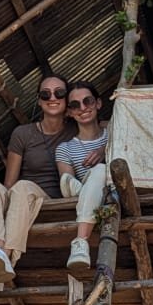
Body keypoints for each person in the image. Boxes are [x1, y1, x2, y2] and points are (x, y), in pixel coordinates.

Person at [0, 75, 76, 292]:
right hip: (18, 196)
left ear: (67, 98)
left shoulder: (75, 129)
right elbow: (9, 183)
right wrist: (1, 203)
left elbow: (104, 128)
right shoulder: (23, 134)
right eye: (46, 94)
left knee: (23, 187)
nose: (52, 98)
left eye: (59, 93)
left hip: (48, 199)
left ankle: (4, 258)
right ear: (39, 100)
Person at [55, 81, 109, 271]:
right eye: (75, 105)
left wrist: (105, 150)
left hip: (113, 191)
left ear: (98, 103)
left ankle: (80, 240)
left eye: (88, 101)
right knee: (76, 181)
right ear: (69, 112)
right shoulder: (65, 148)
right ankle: (81, 244)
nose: (83, 108)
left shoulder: (115, 134)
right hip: (85, 196)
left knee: (101, 170)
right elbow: (67, 187)